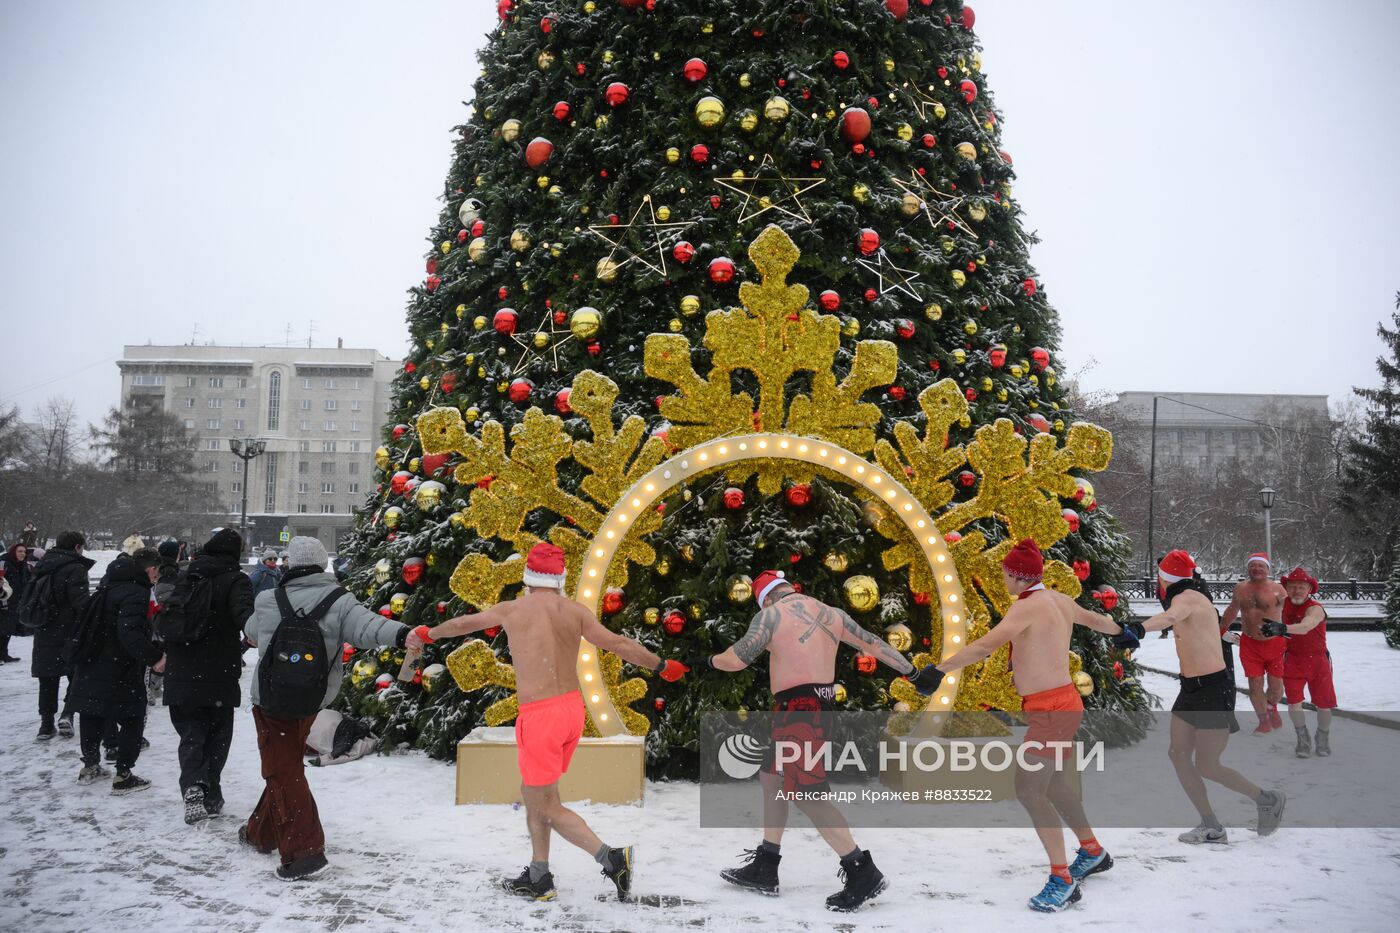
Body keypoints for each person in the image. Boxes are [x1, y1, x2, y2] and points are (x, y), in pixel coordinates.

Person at [422, 542, 685, 902]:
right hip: (570, 711)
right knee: (541, 797)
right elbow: (619, 644)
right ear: (560, 579)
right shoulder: (574, 612)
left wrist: (427, 634)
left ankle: (611, 859)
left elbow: (462, 623)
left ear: (528, 577)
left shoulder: (513, 609)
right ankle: (539, 875)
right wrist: (661, 665)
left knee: (543, 804)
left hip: (540, 717)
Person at [908, 539, 1141, 912]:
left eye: (1004, 575)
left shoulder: (1027, 608)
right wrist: (1122, 631)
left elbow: (985, 646)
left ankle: (1062, 878)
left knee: (1029, 788)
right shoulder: (1059, 601)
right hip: (1059, 704)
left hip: (1052, 710)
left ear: (1017, 577)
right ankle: (1092, 851)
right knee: (1056, 786)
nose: (1003, 580)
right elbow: (1096, 620)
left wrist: (938, 670)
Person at [684, 569, 912, 913]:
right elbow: (874, 644)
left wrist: (704, 662)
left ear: (766, 597)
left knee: (807, 794)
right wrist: (913, 673)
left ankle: (861, 870)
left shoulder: (771, 615)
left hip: (799, 712)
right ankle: (766, 864)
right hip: (816, 706)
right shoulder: (832, 614)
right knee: (772, 776)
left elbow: (736, 659)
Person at [243, 536, 422, 881]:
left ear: (290, 565)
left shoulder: (268, 599)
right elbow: (370, 628)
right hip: (311, 698)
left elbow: (251, 630)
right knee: (284, 764)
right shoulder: (340, 601)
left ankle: (305, 852)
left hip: (272, 700)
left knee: (282, 769)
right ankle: (260, 833)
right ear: (323, 564)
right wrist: (403, 635)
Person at [1140, 550, 1285, 845]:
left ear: (1165, 577)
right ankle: (1211, 825)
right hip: (1190, 687)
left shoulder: (1189, 597)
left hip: (1213, 689)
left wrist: (1137, 629)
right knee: (1177, 755)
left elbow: (1171, 615)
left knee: (1208, 765)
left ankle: (1267, 798)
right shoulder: (1186, 593)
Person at [163, 528, 255, 823]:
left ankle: (193, 784)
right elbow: (245, 617)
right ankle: (211, 793)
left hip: (181, 666)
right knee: (218, 734)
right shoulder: (236, 580)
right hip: (218, 670)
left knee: (191, 731)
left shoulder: (186, 575)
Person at [69, 547, 165, 793]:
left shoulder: (107, 586)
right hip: (118, 667)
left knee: (92, 712)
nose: (157, 575)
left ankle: (90, 765)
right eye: (156, 570)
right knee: (133, 717)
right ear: (149, 569)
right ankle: (123, 774)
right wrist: (154, 657)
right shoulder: (136, 592)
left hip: (93, 661)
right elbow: (129, 632)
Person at [28, 531, 94, 739]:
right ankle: (68, 713)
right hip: (70, 630)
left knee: (47, 678)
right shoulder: (75, 568)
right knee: (76, 674)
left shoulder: (43, 564)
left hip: (44, 628)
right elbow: (80, 602)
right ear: (76, 547)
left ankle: (46, 724)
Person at [1266, 566, 1335, 758]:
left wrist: (1281, 628)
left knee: (1324, 704)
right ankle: (1302, 739)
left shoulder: (1315, 608)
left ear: (1309, 589)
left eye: (1301, 587)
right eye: (1293, 586)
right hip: (1293, 660)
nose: (1296, 590)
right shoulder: (1281, 604)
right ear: (1287, 588)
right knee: (1294, 702)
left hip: (1318, 661)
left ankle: (1323, 736)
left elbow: (1306, 626)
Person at [1220, 553, 1287, 734]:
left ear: (1267, 569)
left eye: (1261, 566)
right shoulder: (1240, 588)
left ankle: (1271, 705)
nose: (1256, 569)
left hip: (1275, 644)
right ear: (1248, 568)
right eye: (1253, 565)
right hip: (1250, 644)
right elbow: (1233, 610)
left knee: (1276, 686)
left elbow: (1291, 613)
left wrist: (1293, 631)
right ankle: (1263, 721)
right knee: (1254, 683)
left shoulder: (1279, 590)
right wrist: (1221, 629)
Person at [1, 544, 33, 662]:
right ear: (13, 552)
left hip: (15, 603)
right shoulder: (5, 563)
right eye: (20, 551)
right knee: (2, 630)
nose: (23, 554)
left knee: (7, 630)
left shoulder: (23, 565)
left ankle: (4, 654)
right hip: (4, 601)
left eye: (24, 552)